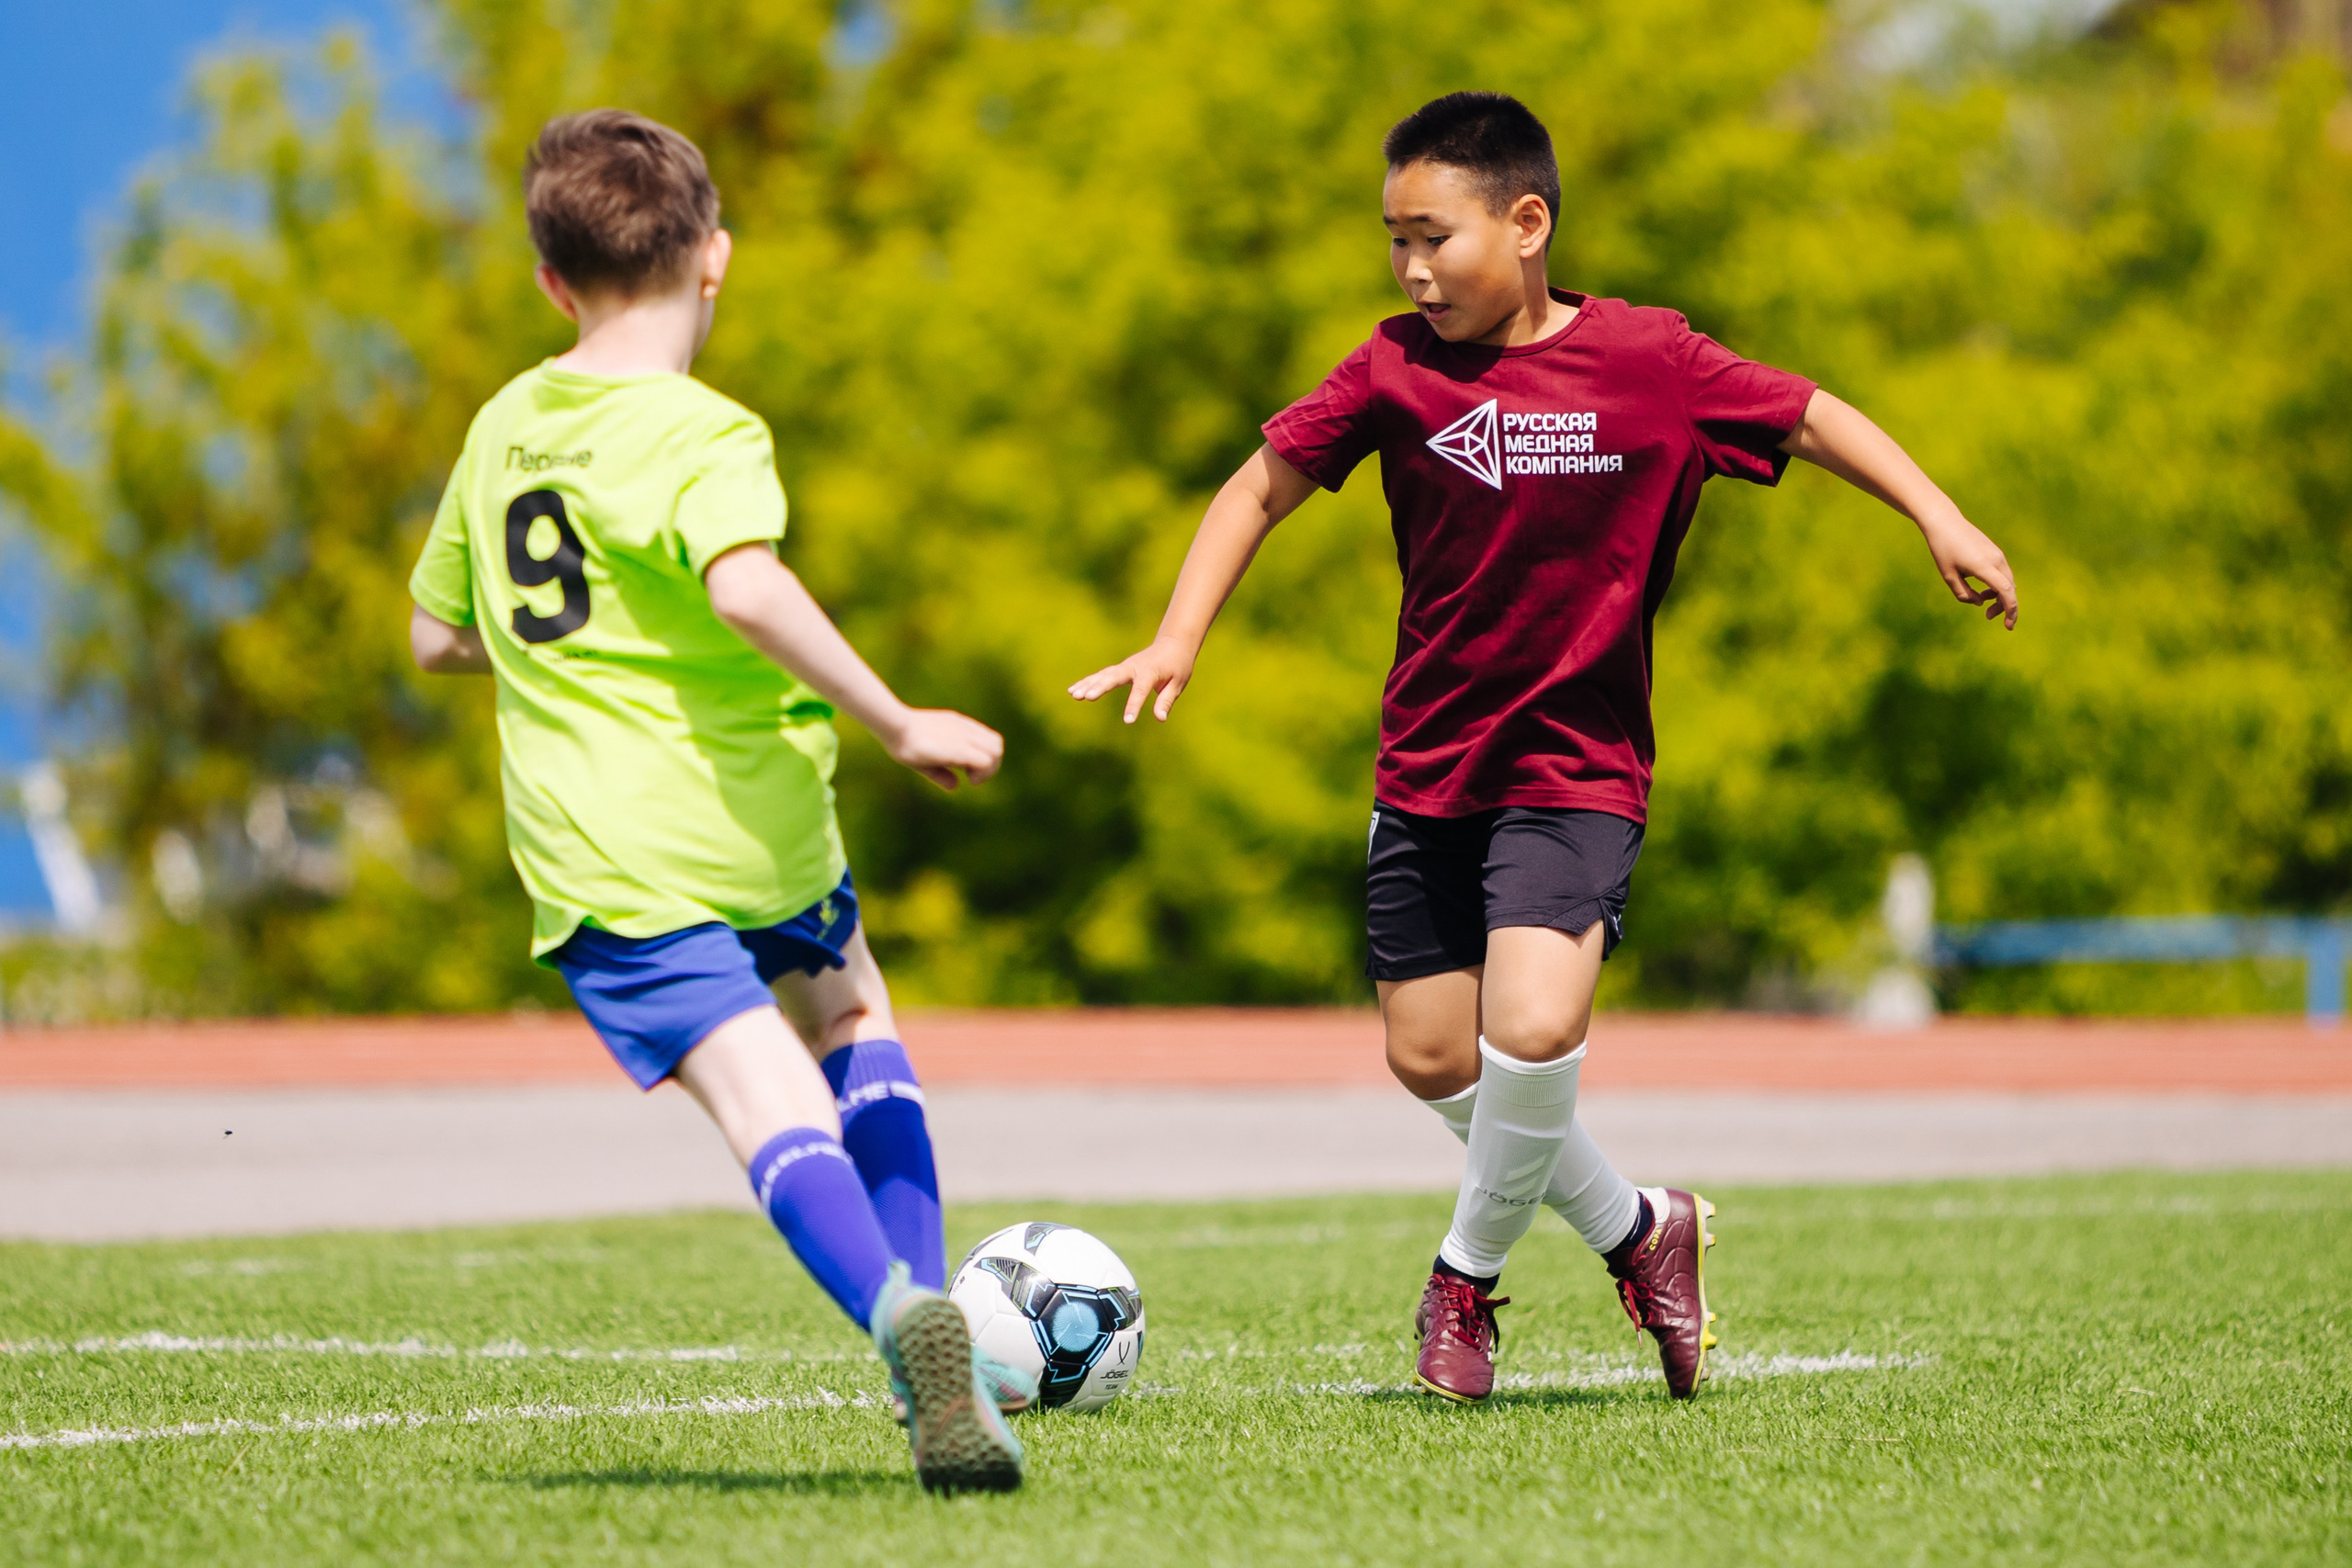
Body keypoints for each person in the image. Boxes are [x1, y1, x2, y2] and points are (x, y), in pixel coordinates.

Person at [1071, 91, 2018, 1404]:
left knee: (1530, 1026)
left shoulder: (1654, 361)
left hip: (1576, 766)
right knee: (1428, 1055)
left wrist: (1937, 513)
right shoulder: (1392, 367)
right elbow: (1256, 485)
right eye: (1392, 240)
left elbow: (1807, 414)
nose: (1411, 269)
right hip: (1427, 767)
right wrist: (1179, 635)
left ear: (1528, 223)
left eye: (1433, 238)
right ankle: (1643, 1230)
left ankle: (1463, 1282)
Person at [407, 109, 1025, 1490]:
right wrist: (896, 716)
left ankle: (903, 1318)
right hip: (762, 820)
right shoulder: (705, 430)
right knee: (852, 1014)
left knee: (761, 1103)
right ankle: (937, 1331)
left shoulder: (505, 424)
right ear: (716, 259)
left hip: (603, 852)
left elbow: (435, 636)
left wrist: (518, 644)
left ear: (549, 283)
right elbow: (740, 582)